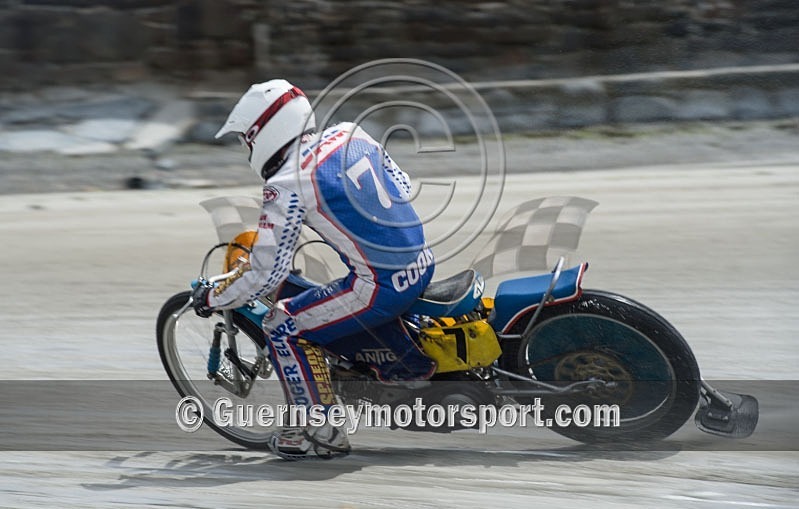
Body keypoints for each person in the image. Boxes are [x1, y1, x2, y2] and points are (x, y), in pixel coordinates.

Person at [191, 79, 436, 460]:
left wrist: (213, 296)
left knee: (283, 325)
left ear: (264, 132)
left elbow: (265, 276)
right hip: (422, 260)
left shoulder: (287, 183)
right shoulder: (351, 133)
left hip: (380, 288)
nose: (247, 149)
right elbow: (400, 186)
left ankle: (318, 433)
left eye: (246, 139)